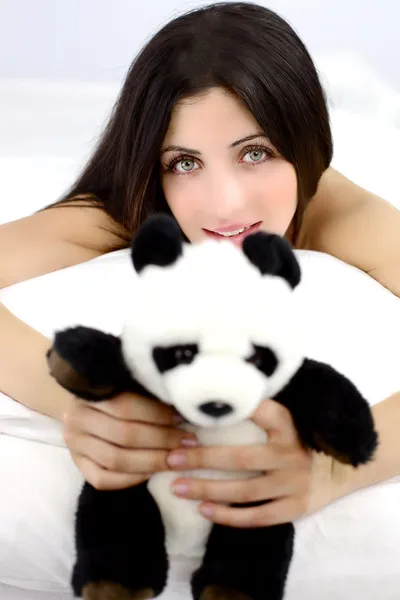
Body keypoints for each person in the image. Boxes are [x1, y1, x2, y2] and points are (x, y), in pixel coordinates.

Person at [1, 1, 399, 531]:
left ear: (307, 144)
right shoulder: (137, 207)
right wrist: (75, 400)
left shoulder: (352, 220)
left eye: (255, 153)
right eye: (185, 163)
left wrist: (335, 470)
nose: (226, 204)